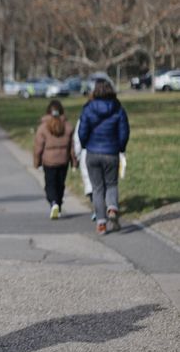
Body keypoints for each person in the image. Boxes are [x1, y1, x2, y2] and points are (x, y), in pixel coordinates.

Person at [78, 79, 130, 235]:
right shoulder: (118, 109)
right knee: (112, 184)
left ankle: (101, 223)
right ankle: (112, 207)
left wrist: (85, 144)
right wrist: (120, 147)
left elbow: (82, 131)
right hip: (111, 153)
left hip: (93, 153)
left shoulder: (88, 108)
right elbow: (124, 132)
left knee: (97, 188)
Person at [33, 100, 77, 219]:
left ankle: (53, 203)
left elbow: (38, 147)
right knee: (60, 184)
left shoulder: (43, 127)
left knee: (50, 185)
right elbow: (72, 147)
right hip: (63, 161)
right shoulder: (68, 126)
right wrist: (74, 162)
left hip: (49, 162)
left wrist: (37, 162)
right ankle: (59, 205)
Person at [73, 118, 96, 221]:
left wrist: (77, 155)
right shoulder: (113, 112)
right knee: (103, 182)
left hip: (88, 152)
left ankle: (97, 209)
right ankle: (108, 206)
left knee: (91, 182)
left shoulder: (85, 116)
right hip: (108, 152)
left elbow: (78, 138)